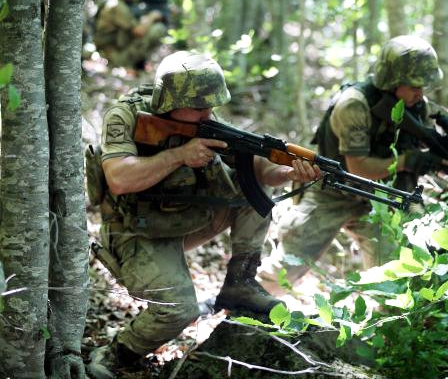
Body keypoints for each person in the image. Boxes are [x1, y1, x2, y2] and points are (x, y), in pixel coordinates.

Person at [86, 51, 321, 379]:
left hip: (185, 220)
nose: (208, 113)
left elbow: (258, 169)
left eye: (211, 106)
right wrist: (179, 155)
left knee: (251, 187)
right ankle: (116, 353)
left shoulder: (202, 121)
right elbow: (119, 178)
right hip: (135, 231)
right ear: (173, 101)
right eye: (200, 107)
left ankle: (240, 282)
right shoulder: (125, 116)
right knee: (179, 310)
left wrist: (288, 172)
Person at [261, 35, 444, 293]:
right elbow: (358, 167)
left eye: (424, 86)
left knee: (393, 274)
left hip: (377, 199)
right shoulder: (354, 105)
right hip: (331, 191)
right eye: (414, 86)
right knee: (288, 267)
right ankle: (245, 301)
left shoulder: (415, 107)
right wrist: (405, 162)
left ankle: (387, 314)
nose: (420, 93)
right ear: (392, 81)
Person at [93, 0, 167, 70]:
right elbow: (139, 32)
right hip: (113, 57)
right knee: (158, 29)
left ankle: (136, 64)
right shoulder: (116, 5)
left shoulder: (118, 3)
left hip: (111, 53)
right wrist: (152, 16)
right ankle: (129, 65)